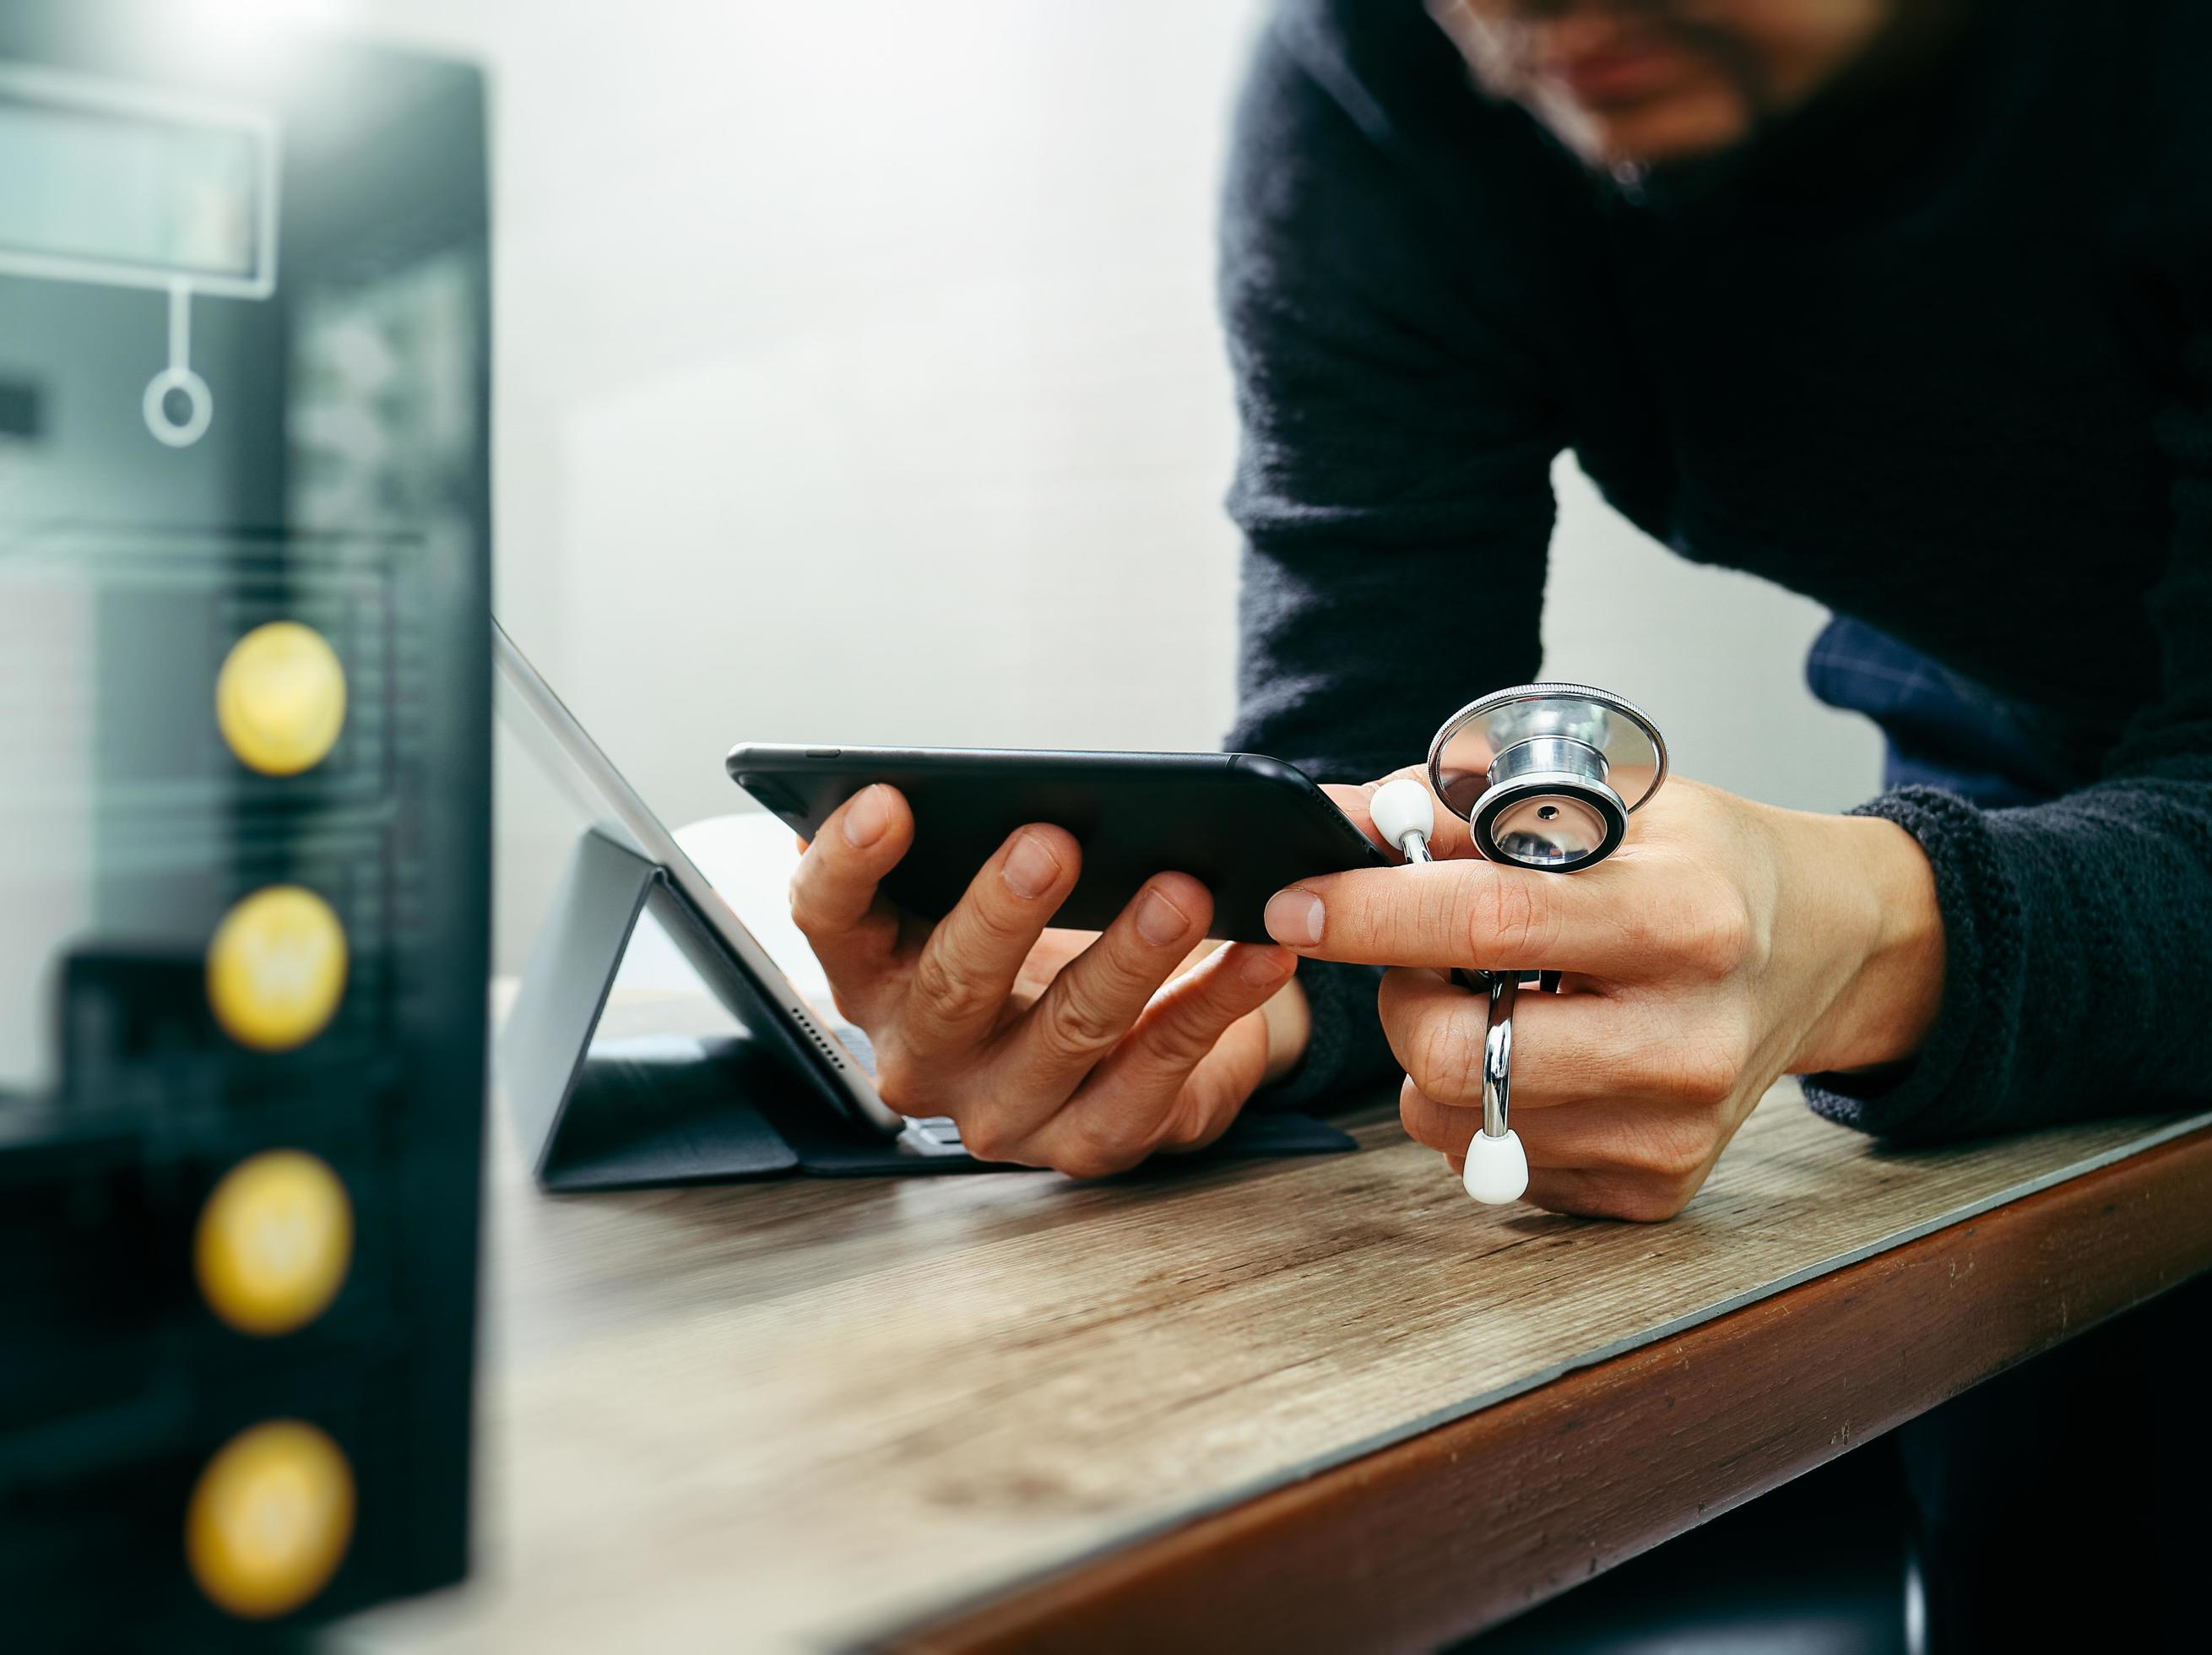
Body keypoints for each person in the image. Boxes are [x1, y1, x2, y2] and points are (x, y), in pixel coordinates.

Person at [784, 0, 2212, 1224]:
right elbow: (1376, 764)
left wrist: (1887, 934)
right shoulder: (1386, 77)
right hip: (2013, 753)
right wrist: (1230, 995)